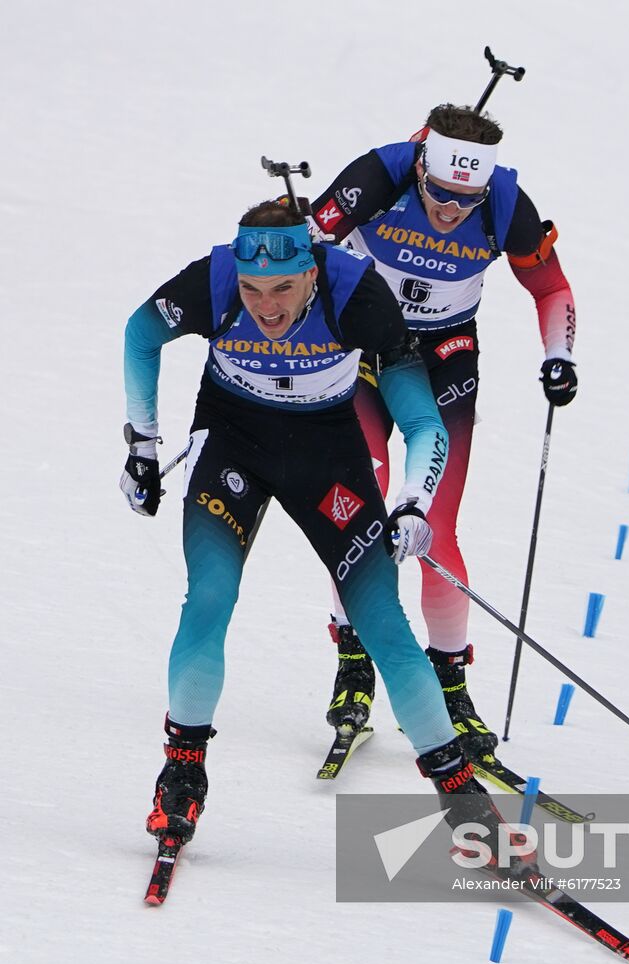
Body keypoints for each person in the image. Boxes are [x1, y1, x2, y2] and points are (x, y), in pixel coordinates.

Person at [119, 199, 503, 850]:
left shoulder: (357, 293)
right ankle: (181, 774)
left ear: (312, 273)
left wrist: (414, 500)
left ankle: (462, 797)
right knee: (209, 597)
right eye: (252, 289)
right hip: (233, 447)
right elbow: (140, 333)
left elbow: (423, 421)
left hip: (328, 456)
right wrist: (142, 445)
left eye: (282, 289)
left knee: (383, 622)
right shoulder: (214, 280)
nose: (266, 307)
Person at [309, 104, 578, 777]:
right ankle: (354, 665)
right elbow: (299, 245)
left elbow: (552, 288)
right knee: (360, 514)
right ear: (422, 164)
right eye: (440, 194)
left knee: (435, 528)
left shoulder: (506, 201)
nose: (453, 211)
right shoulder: (379, 175)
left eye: (468, 199)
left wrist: (560, 356)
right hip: (359, 356)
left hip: (444, 359)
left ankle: (449, 684)